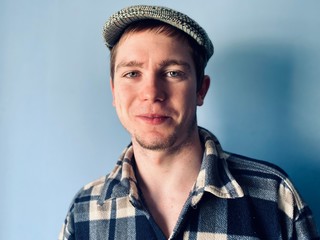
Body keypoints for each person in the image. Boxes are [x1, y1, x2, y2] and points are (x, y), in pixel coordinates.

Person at [59, 5, 319, 240]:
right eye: (132, 73)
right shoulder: (85, 210)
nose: (151, 92)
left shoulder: (273, 196)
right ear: (115, 91)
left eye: (173, 73)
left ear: (200, 91)